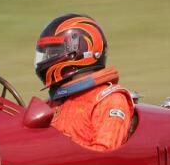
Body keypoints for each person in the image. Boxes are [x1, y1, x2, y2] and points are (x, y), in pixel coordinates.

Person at [34, 14, 133, 152]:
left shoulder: (110, 100)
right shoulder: (53, 103)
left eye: (51, 53)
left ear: (75, 53)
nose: (46, 59)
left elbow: (105, 157)